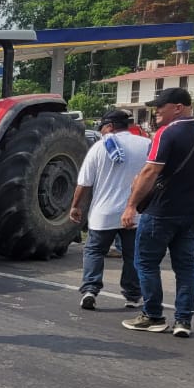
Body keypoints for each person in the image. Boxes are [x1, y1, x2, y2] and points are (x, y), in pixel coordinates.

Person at [121, 87, 194, 337]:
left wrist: (131, 205)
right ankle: (183, 321)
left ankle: (153, 316)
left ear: (178, 107)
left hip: (161, 211)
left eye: (161, 106)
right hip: (192, 211)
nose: (156, 111)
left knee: (145, 262)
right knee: (186, 266)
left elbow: (150, 172)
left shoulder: (167, 133)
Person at [69, 109, 149, 311]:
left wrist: (75, 206)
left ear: (110, 126)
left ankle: (90, 290)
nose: (102, 132)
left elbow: (84, 183)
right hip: (135, 213)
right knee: (132, 255)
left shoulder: (99, 147)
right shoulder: (146, 145)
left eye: (102, 128)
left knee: (94, 251)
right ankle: (132, 296)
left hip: (103, 214)